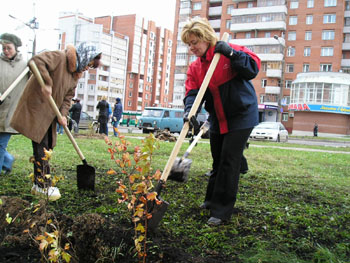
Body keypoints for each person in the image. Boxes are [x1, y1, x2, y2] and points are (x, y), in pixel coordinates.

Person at [181, 18, 260, 226]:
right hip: (218, 117)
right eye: (189, 44)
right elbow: (192, 93)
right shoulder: (195, 68)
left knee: (228, 161)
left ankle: (222, 210)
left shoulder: (228, 51)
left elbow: (253, 68)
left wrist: (232, 54)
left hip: (241, 115)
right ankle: (210, 200)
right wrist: (190, 111)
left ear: (206, 38)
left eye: (194, 42)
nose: (192, 48)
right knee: (217, 159)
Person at [11, 42, 101, 201]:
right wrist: (47, 82)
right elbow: (35, 61)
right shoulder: (60, 58)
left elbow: (67, 98)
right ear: (84, 56)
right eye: (89, 64)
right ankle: (42, 185)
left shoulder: (75, 75)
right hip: (37, 107)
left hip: (51, 114)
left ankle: (39, 183)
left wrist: (64, 115)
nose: (88, 68)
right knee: (42, 144)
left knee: (47, 146)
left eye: (90, 67)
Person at [0, 33, 28, 174]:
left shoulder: (25, 65)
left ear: (16, 48)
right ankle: (7, 160)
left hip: (12, 111)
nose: (5, 51)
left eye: (8, 48)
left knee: (0, 144)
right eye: (3, 48)